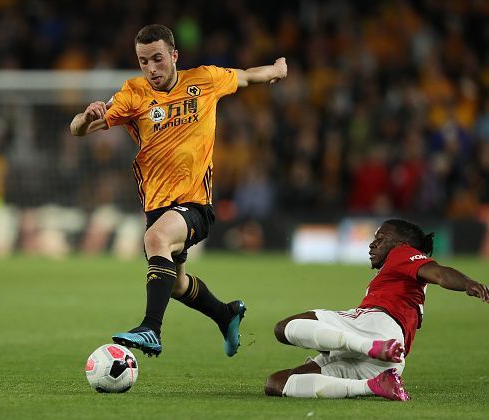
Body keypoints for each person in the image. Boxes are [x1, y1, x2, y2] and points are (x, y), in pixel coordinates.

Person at [70, 24, 287, 357]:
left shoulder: (204, 79)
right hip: (157, 205)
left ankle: (150, 329)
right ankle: (225, 314)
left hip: (195, 202)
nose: (152, 69)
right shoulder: (133, 94)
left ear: (174, 55)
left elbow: (245, 76)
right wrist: (87, 117)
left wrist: (275, 70)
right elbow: (78, 130)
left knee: (155, 240)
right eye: (144, 62)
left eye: (157, 59)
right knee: (175, 283)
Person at [265, 219, 488, 401]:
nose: (372, 245)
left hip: (375, 325)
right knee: (277, 383)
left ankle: (368, 346)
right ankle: (372, 386)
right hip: (389, 361)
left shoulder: (403, 254)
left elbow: (439, 273)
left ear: (403, 244)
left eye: (380, 239)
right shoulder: (402, 273)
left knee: (283, 328)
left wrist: (468, 283)